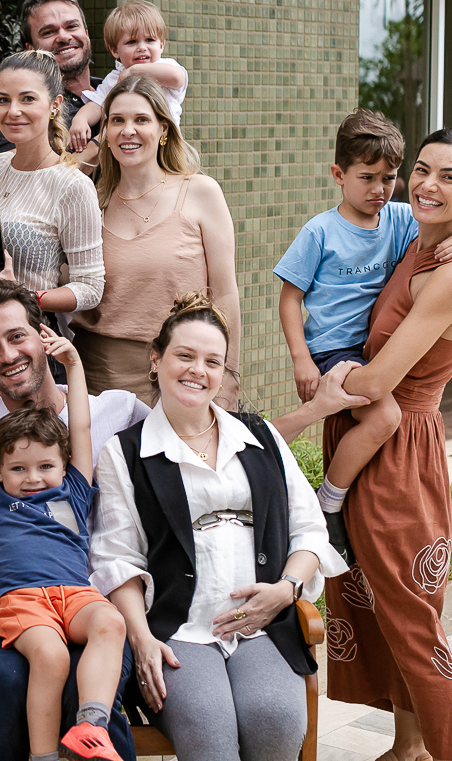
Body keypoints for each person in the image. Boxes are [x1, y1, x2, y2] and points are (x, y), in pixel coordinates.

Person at [316, 129, 452, 761]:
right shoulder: (417, 241)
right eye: (422, 170)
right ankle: (407, 750)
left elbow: (378, 382)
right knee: (379, 610)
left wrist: (325, 380)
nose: (427, 185)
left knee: (414, 627)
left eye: (448, 178)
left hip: (398, 453)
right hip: (369, 438)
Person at [89, 292, 348, 761]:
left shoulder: (261, 438)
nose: (197, 370)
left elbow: (309, 529)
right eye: (184, 355)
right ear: (156, 359)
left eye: (212, 361)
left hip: (261, 624)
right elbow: (116, 559)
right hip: (179, 629)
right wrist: (142, 639)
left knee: (276, 718)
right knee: (209, 730)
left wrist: (286, 589)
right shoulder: (124, 454)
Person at [0, 280, 146, 761]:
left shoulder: (75, 478)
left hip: (78, 597)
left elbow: (83, 425)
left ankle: (91, 728)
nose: (32, 477)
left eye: (16, 337)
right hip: (18, 601)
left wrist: (72, 363)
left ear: (43, 334)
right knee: (33, 668)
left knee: (107, 633)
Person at [274, 109, 452, 562]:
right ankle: (327, 503)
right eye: (367, 177)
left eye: (389, 177)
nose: (379, 189)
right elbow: (290, 298)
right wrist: (301, 359)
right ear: (338, 174)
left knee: (381, 417)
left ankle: (326, 496)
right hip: (332, 349)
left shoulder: (400, 219)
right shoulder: (320, 231)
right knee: (385, 417)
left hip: (370, 354)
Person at [69, 74, 240, 407]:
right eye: (116, 120)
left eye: (141, 120)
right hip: (100, 378)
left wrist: (228, 377)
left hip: (185, 371)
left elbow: (226, 293)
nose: (127, 130)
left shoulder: (200, 192)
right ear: (104, 132)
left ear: (163, 129)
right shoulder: (90, 201)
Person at [0, 50, 104, 323]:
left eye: (27, 99)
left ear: (54, 105)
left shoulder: (72, 185)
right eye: (4, 100)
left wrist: (21, 293)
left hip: (28, 338)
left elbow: (91, 289)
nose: (13, 111)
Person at [0, 0, 100, 164]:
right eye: (48, 32)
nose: (63, 36)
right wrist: (101, 141)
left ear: (86, 34)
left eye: (71, 27)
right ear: (30, 48)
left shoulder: (114, 90)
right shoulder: (17, 112)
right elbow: (17, 180)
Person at [68, 0, 187, 152]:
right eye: (132, 42)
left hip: (166, 148)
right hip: (130, 148)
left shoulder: (165, 67)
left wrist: (132, 72)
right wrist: (80, 119)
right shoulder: (113, 78)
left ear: (161, 45)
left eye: (150, 40)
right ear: (114, 50)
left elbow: (177, 78)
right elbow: (97, 104)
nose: (142, 48)